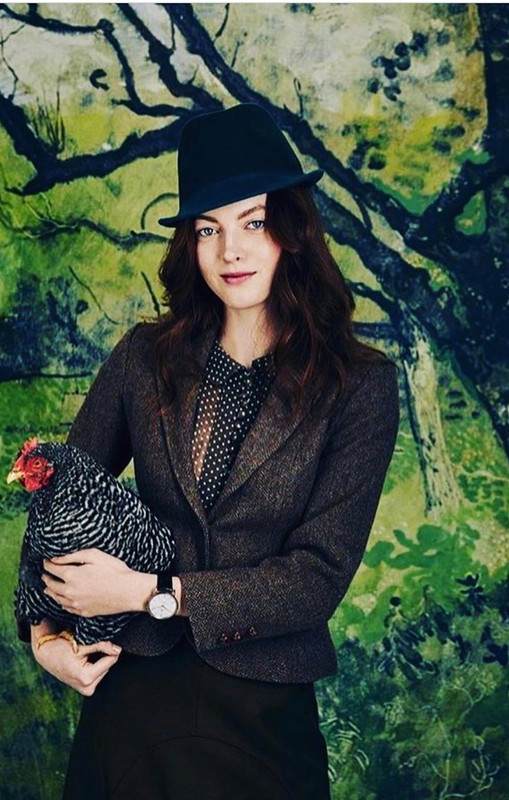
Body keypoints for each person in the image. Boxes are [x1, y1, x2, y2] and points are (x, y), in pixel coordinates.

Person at [25, 103, 399, 799]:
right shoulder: (144, 357)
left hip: (264, 711)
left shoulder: (360, 385)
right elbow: (59, 498)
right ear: (189, 243)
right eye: (208, 228)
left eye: (252, 222)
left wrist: (150, 594)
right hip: (134, 700)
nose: (230, 251)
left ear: (292, 231)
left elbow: (315, 578)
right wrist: (44, 637)